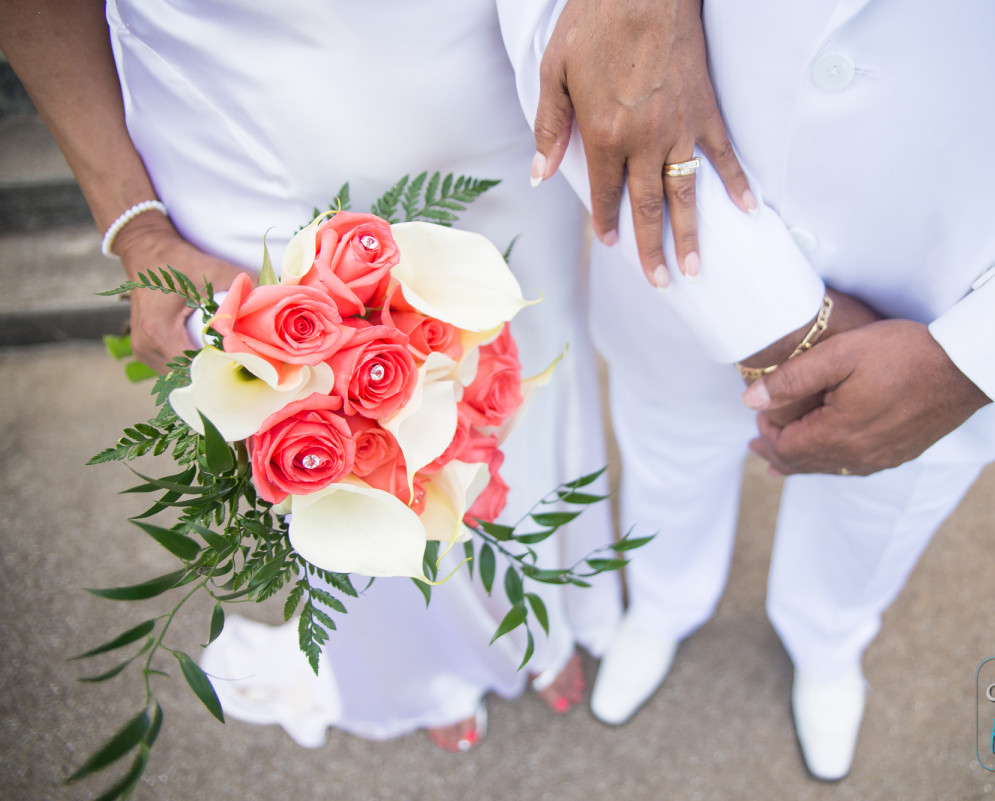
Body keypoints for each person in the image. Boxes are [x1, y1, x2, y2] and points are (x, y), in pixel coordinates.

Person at [497, 0, 995, 780]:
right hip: (695, 215)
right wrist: (771, 315)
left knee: (878, 512)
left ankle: (827, 639)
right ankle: (666, 601)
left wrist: (990, 349)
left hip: (956, 288)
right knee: (670, 450)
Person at [0, 0, 624, 752]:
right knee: (325, 452)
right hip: (234, 113)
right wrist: (135, 226)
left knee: (520, 356)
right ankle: (419, 665)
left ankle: (544, 608)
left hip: (479, 71)